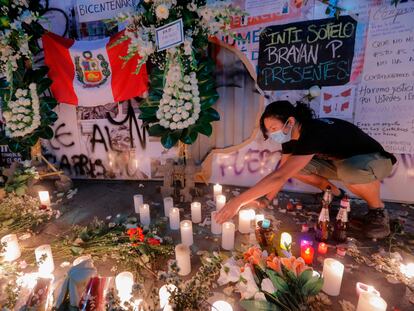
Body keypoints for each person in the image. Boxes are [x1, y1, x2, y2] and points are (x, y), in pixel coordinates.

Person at [215, 101, 396, 239]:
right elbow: (283, 170)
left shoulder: (313, 132)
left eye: (274, 128)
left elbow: (279, 176)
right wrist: (266, 199)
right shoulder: (290, 138)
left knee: (350, 173)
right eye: (269, 130)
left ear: (290, 121)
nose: (272, 134)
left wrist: (237, 202)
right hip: (341, 163)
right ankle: (333, 193)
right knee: (295, 168)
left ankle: (377, 211)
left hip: (374, 160)